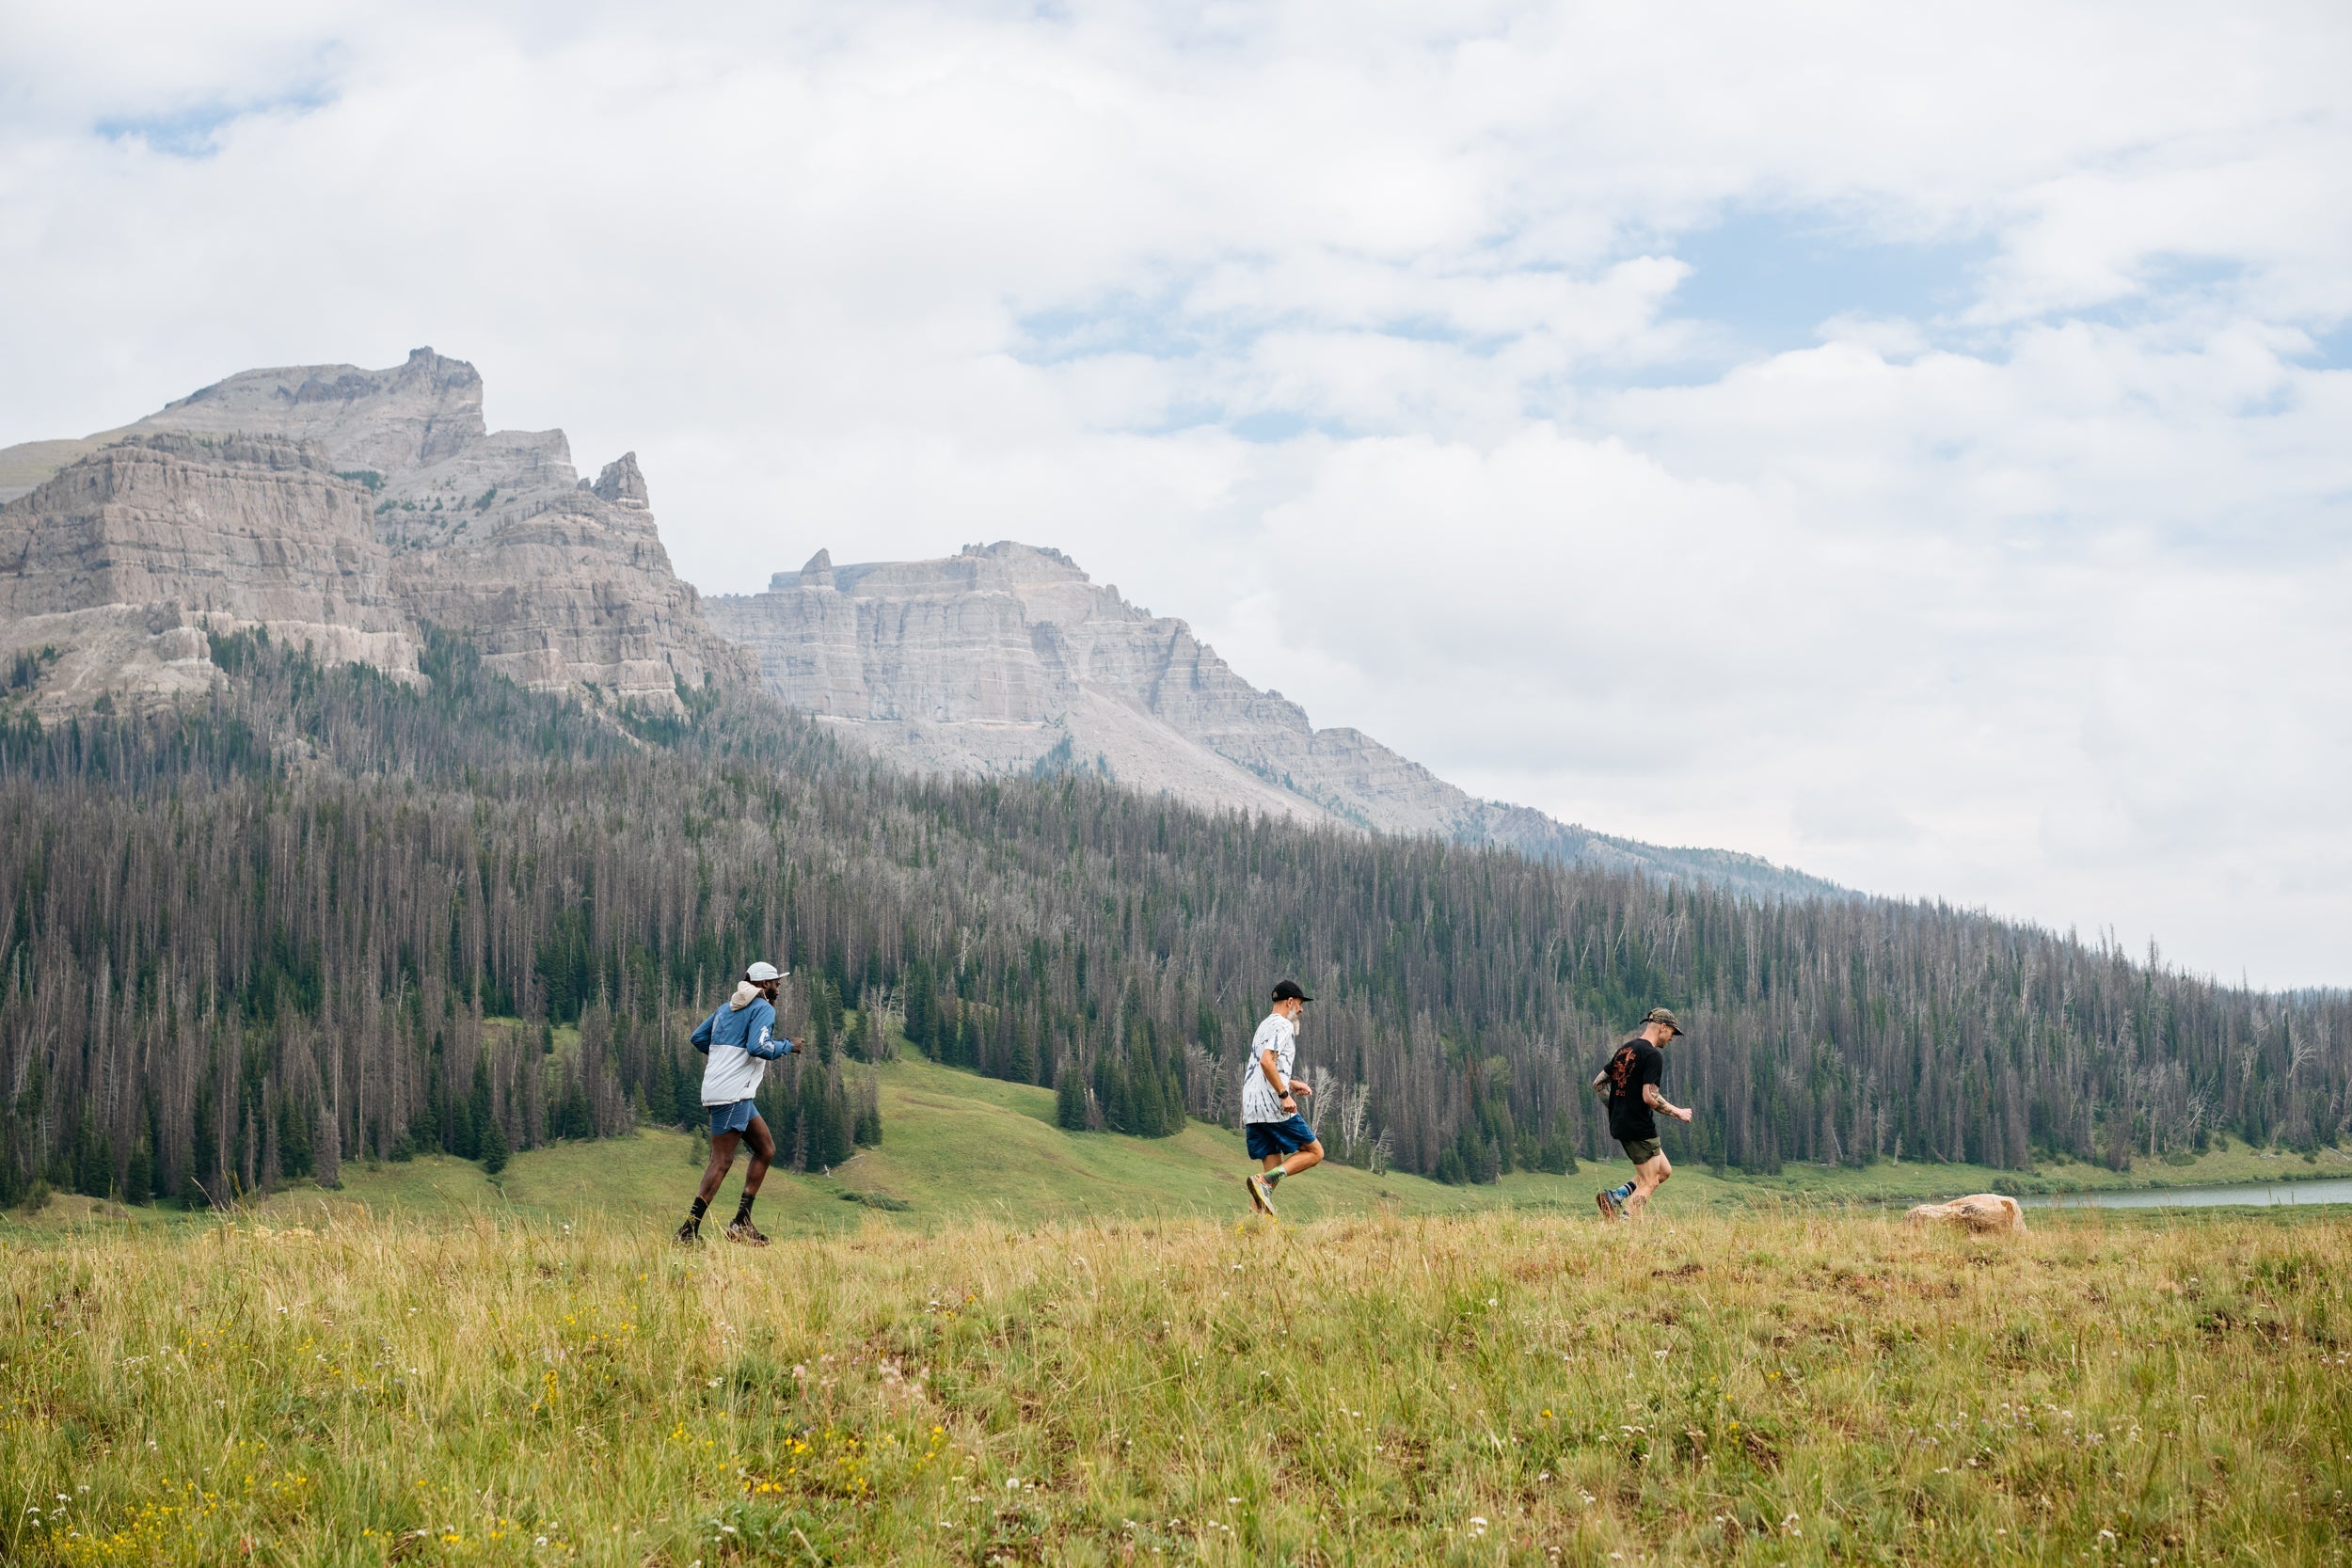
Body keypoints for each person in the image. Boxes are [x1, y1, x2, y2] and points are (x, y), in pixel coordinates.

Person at [678, 961, 797, 1245]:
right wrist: (788, 1046)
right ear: (764, 984)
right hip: (733, 1093)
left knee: (765, 1149)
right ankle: (687, 1231)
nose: (779, 988)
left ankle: (741, 1221)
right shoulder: (763, 1009)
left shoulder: (724, 1009)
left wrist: (723, 1057)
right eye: (776, 983)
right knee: (721, 1162)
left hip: (732, 1092)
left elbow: (698, 1038)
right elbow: (760, 1048)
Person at [1594, 1006, 1692, 1223]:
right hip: (1639, 1127)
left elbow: (1599, 1084)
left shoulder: (1625, 1050)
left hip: (1621, 1124)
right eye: (1672, 1033)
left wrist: (1616, 1108)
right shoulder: (1652, 1055)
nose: (1672, 1039)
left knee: (1664, 1171)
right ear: (1662, 1027)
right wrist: (1678, 1112)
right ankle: (1626, 1226)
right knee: (1650, 1182)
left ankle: (1616, 1196)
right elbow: (1650, 1096)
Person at [1242, 980, 1323, 1217]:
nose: (1301, 1010)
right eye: (1299, 1004)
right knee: (1315, 1152)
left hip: (1252, 1108)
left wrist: (1290, 1082)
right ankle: (1263, 1182)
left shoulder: (1263, 1026)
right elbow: (1267, 1062)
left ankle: (1255, 1225)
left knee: (1272, 1172)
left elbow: (1263, 1067)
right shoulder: (1284, 1026)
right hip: (1272, 1106)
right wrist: (1284, 1095)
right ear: (1289, 1002)